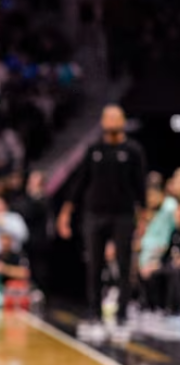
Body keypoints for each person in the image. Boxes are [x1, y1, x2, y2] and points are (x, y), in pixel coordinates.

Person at [57, 105, 146, 322]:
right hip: (94, 214)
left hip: (123, 216)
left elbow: (140, 186)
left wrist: (143, 218)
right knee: (94, 265)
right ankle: (94, 311)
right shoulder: (94, 149)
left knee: (124, 264)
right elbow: (79, 183)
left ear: (123, 121)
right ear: (103, 121)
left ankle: (122, 313)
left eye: (116, 117)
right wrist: (65, 213)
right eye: (108, 117)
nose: (112, 121)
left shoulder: (133, 150)